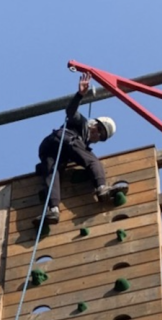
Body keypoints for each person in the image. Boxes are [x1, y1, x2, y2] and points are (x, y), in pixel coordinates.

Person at [36, 72, 117, 222]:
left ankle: (53, 209)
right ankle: (101, 188)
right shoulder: (82, 123)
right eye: (99, 129)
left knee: (52, 173)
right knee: (93, 161)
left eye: (102, 136)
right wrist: (80, 95)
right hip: (65, 140)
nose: (98, 135)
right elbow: (70, 112)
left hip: (49, 148)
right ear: (94, 124)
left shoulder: (83, 143)